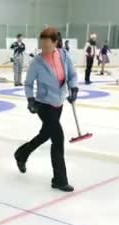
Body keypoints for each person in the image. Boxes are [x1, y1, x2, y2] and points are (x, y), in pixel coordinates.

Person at [14, 27, 78, 193]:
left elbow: (71, 75)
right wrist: (30, 100)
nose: (44, 50)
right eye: (41, 46)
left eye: (47, 46)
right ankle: (59, 179)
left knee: (45, 134)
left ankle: (22, 153)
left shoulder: (63, 55)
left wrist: (74, 88)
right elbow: (28, 84)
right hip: (43, 105)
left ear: (55, 43)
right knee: (58, 138)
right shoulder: (37, 62)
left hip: (58, 103)